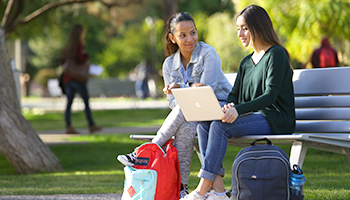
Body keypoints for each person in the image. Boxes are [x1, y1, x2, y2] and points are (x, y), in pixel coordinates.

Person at [181, 5, 296, 200]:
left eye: (244, 28)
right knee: (203, 125)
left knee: (220, 126)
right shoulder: (246, 62)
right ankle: (218, 191)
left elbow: (270, 96)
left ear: (258, 27)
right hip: (254, 117)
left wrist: (238, 110)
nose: (240, 33)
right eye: (238, 29)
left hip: (275, 118)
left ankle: (202, 190)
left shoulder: (276, 54)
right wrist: (230, 106)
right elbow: (234, 94)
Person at [117, 12, 232, 198]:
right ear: (172, 38)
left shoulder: (208, 53)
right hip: (192, 116)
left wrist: (181, 88)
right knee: (185, 128)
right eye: (183, 35)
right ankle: (181, 188)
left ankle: (149, 149)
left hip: (220, 109)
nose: (190, 39)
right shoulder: (169, 64)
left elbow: (206, 91)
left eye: (193, 33)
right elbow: (172, 103)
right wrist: (182, 93)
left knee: (185, 111)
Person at [61, 24, 102, 134]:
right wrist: (86, 56)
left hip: (68, 78)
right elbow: (80, 58)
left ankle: (68, 125)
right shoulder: (78, 45)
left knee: (69, 103)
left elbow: (63, 61)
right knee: (86, 101)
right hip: (77, 78)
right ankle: (91, 124)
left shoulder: (67, 46)